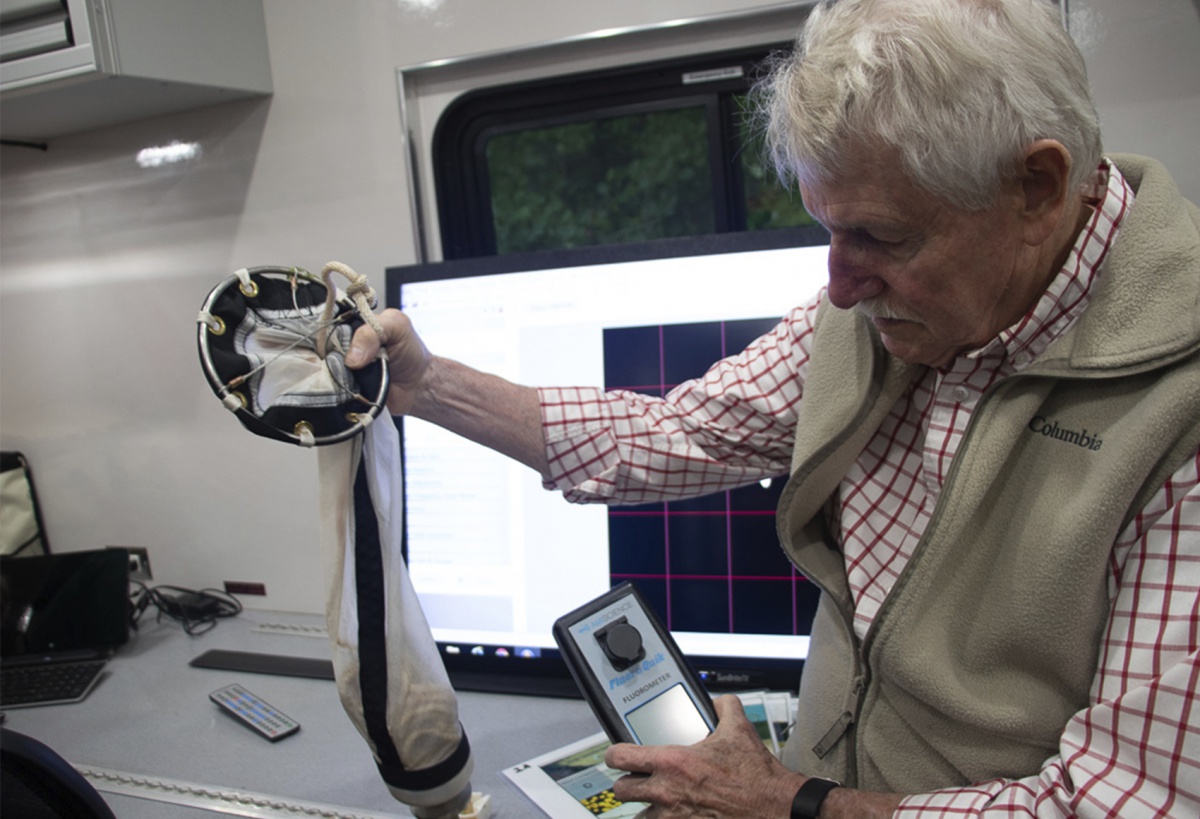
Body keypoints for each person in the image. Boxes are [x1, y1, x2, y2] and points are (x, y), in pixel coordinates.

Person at [346, 0, 1200, 815]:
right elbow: (675, 432)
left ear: (1037, 188)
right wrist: (427, 386)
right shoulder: (875, 315)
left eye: (881, 237)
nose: (838, 284)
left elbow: (1125, 802)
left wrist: (783, 802)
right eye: (827, 230)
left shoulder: (1180, 412)